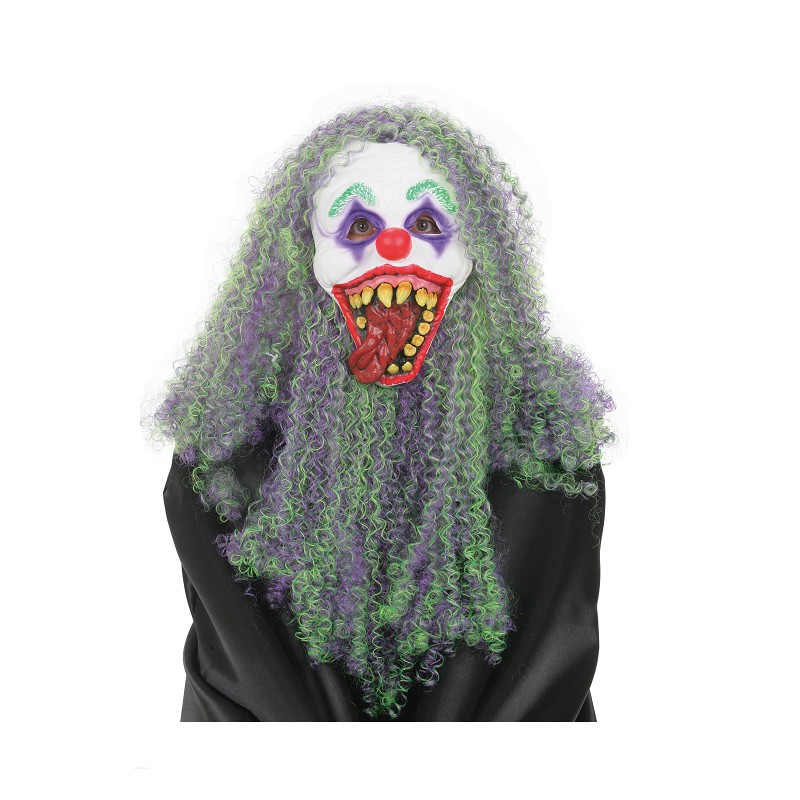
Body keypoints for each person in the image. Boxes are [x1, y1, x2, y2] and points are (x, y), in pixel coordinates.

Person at [149, 102, 614, 721]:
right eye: (359, 226)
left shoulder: (551, 464)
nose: (394, 248)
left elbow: (546, 677)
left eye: (426, 222)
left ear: (478, 254)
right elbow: (241, 673)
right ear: (303, 258)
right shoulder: (222, 464)